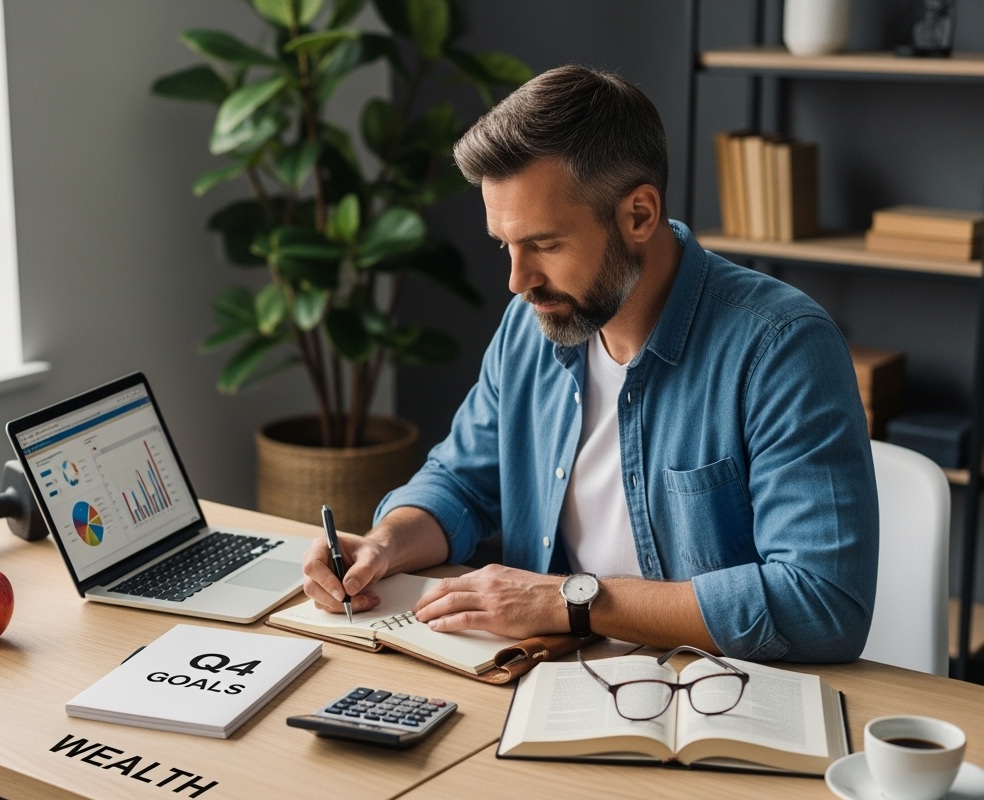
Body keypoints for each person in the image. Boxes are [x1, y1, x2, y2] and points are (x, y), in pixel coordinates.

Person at [301, 64, 879, 663]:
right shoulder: (534, 324)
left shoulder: (782, 347)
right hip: (548, 679)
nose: (517, 281)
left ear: (638, 216)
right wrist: (384, 545)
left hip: (716, 694)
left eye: (546, 245)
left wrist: (572, 601)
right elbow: (460, 482)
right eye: (506, 244)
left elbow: (822, 602)